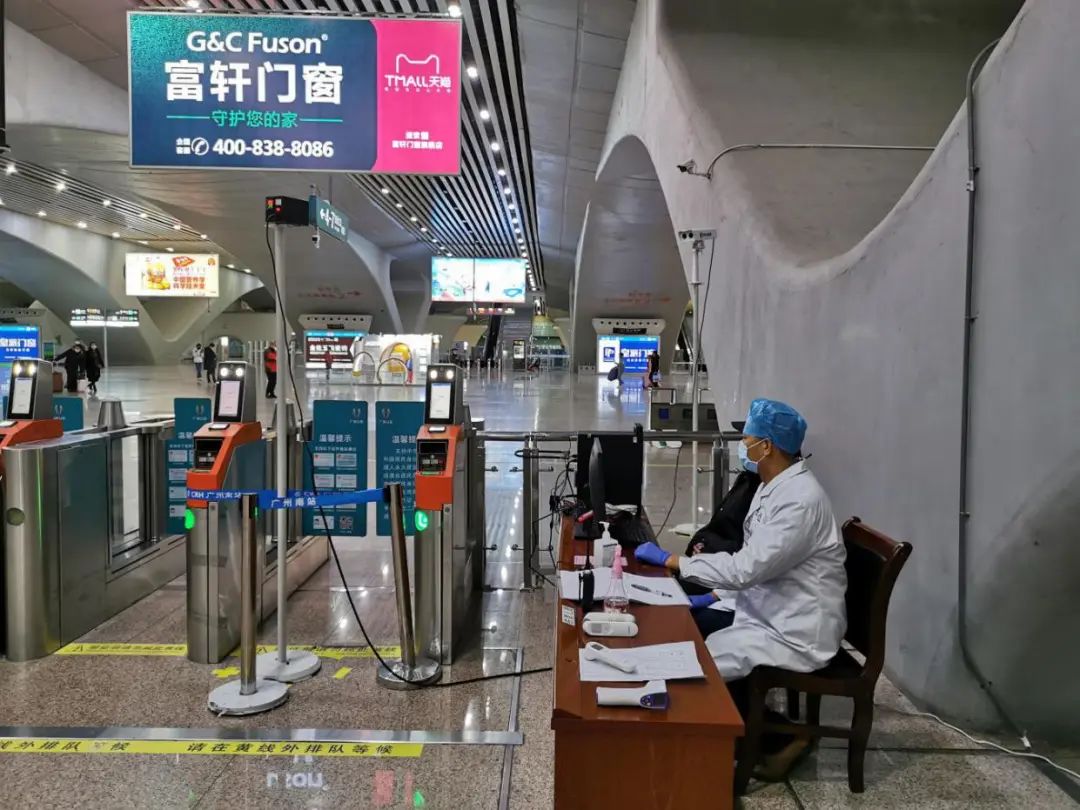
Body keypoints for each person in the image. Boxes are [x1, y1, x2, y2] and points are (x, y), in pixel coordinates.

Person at [635, 399, 847, 779]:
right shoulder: (773, 487)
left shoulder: (799, 501)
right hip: (769, 610)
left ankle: (754, 748)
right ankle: (768, 737)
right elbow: (759, 561)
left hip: (795, 629)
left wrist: (676, 561)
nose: (743, 446)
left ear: (767, 446)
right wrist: (716, 595)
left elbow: (748, 568)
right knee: (698, 644)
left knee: (699, 666)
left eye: (747, 439)